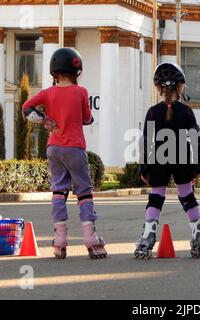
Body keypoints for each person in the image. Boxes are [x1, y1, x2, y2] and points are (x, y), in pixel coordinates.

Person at [22, 48, 107, 260]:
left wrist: (44, 120)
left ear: (53, 72)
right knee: (83, 191)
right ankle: (91, 239)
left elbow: (26, 108)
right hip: (75, 148)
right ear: (76, 71)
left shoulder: (47, 93)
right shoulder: (81, 92)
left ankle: (60, 240)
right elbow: (87, 119)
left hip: (54, 148)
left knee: (58, 191)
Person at [135, 62, 200, 259]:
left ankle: (148, 236)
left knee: (156, 198)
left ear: (158, 88)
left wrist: (144, 168)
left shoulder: (152, 112)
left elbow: (145, 142)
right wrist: (197, 166)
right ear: (180, 87)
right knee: (187, 197)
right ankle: (198, 230)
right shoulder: (187, 112)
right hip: (182, 160)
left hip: (159, 161)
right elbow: (196, 139)